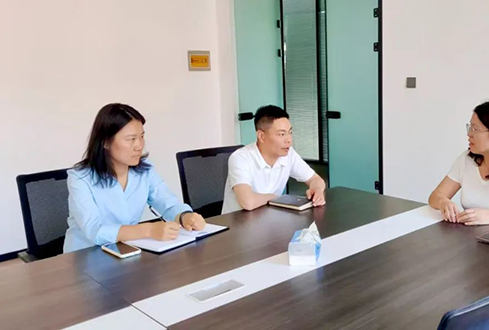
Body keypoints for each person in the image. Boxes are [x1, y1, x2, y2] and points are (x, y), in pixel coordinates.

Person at [64, 103, 205, 253]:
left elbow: (167, 202)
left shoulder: (145, 171)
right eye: (131, 139)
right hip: (85, 255)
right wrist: (149, 230)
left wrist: (185, 216)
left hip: (126, 251)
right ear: (105, 142)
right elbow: (95, 230)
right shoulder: (80, 178)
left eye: (141, 137)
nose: (139, 145)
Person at [222, 105, 326, 214]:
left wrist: (317, 190)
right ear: (261, 136)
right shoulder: (240, 158)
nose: (289, 140)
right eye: (281, 134)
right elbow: (248, 202)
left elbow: (315, 179)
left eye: (290, 132)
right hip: (238, 222)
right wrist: (276, 198)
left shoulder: (289, 154)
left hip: (270, 218)